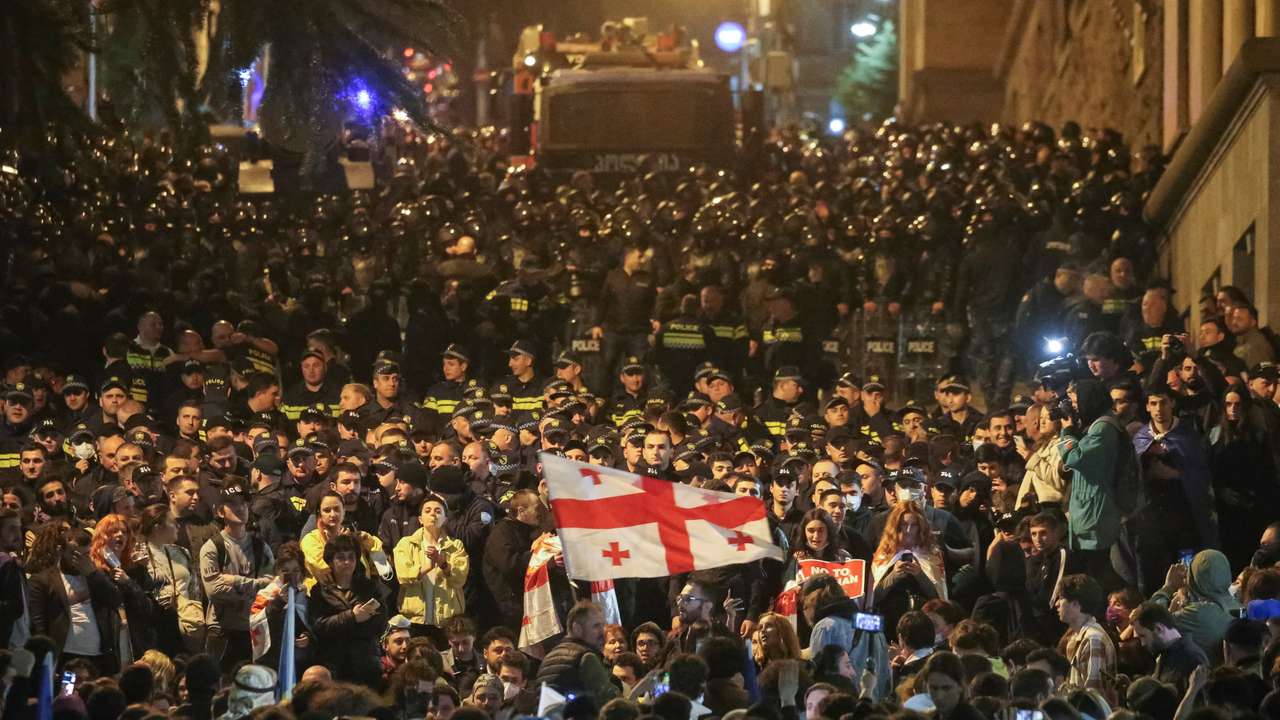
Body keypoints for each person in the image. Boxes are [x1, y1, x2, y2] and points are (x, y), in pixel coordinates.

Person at [27, 525, 124, 675]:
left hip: (98, 658)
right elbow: (38, 624)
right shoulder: (43, 581)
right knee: (69, 696)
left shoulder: (95, 576)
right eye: (75, 554)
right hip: (67, 657)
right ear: (61, 550)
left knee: (94, 696)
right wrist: (46, 660)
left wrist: (92, 573)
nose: (81, 560)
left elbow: (116, 599)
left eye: (86, 555)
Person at [199, 488, 275, 672]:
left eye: (244, 503)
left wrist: (235, 580)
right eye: (232, 504)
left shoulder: (259, 546)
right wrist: (255, 588)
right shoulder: (213, 547)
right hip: (222, 631)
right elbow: (214, 591)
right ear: (220, 511)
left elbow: (271, 586)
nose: (240, 508)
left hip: (253, 629)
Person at [309, 532, 389, 685]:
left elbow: (380, 623)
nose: (347, 562)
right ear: (330, 561)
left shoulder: (370, 587)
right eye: (341, 557)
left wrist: (348, 626)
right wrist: (352, 617)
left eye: (351, 557)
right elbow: (319, 625)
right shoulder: (319, 591)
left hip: (366, 661)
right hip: (333, 661)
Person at [135, 504, 205, 657]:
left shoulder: (181, 553)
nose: (178, 526)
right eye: (173, 522)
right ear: (158, 527)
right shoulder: (138, 555)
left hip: (185, 622)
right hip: (155, 624)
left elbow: (195, 590)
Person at [393, 492, 468, 630]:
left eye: (438, 511)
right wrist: (427, 567)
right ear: (420, 519)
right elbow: (403, 576)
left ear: (445, 519)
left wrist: (443, 563)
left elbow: (459, 579)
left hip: (446, 621)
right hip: (415, 619)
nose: (433, 514)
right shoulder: (406, 544)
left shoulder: (456, 546)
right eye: (428, 511)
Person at [871, 503, 947, 634]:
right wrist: (893, 576)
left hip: (921, 622)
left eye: (914, 525)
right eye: (904, 525)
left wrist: (920, 575)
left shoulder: (931, 554)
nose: (908, 530)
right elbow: (873, 598)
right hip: (888, 621)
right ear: (895, 526)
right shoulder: (884, 554)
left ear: (921, 527)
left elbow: (938, 599)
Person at [300, 492, 391, 589]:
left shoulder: (357, 538)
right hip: (325, 597)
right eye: (327, 510)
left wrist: (370, 544)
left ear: (344, 511)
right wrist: (336, 545)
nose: (332, 514)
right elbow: (327, 570)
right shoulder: (310, 540)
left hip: (360, 595)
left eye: (337, 509)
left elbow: (384, 570)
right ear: (319, 514)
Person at [533, 600, 620, 701]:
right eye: (596, 626)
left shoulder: (547, 658)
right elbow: (609, 700)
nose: (602, 632)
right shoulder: (586, 657)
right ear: (577, 628)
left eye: (603, 625)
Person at [1056, 574, 1117, 702]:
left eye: (1061, 598)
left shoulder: (1093, 639)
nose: (1057, 604)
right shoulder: (1077, 636)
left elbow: (1093, 697)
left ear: (1076, 604)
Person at [1130, 602, 1209, 692]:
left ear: (1159, 629)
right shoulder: (1163, 654)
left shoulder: (1192, 658)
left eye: (1143, 636)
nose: (1142, 643)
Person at [919, 651, 987, 720]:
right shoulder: (931, 716)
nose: (939, 696)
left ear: (960, 686)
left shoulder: (971, 717)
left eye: (946, 688)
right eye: (933, 688)